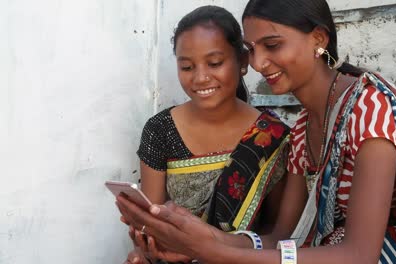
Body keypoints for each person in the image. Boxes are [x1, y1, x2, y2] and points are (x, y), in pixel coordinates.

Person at [117, 0, 396, 263]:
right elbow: (282, 235)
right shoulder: (305, 127)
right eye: (252, 48)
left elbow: (358, 255)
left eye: (273, 45)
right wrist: (195, 238)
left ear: (318, 39)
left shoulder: (369, 108)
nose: (260, 62)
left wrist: (218, 253)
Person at [123, 5, 291, 264]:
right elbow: (151, 223)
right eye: (187, 67)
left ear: (243, 61)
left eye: (214, 63)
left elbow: (276, 235)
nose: (200, 78)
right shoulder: (161, 130)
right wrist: (144, 248)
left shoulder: (273, 137)